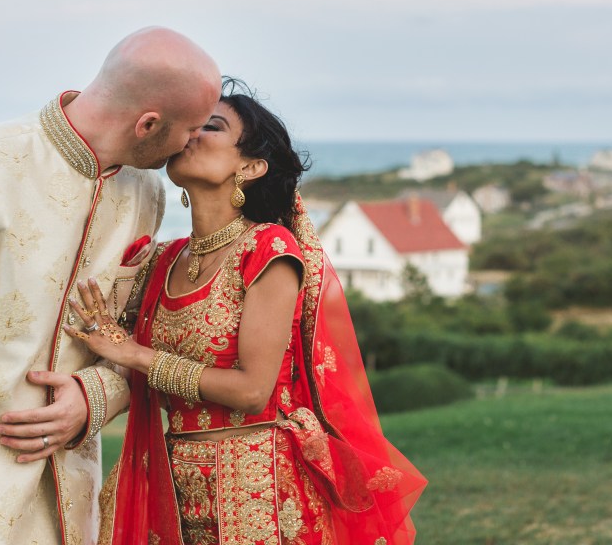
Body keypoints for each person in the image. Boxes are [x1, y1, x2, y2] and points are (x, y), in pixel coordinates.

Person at [0, 27, 222, 545]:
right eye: (190, 129)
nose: (194, 142)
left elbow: (130, 338)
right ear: (148, 123)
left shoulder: (146, 193)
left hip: (73, 512)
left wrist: (94, 396)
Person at [65, 81, 425, 545]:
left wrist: (135, 355)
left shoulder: (268, 248)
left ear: (251, 166)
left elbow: (253, 390)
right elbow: (101, 333)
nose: (190, 134)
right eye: (190, 124)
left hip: (259, 491)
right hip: (174, 492)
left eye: (210, 126)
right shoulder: (162, 260)